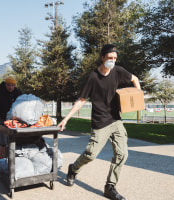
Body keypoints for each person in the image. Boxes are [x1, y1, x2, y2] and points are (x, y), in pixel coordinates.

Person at [58, 44, 141, 200]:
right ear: (102, 57)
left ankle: (110, 187)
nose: (112, 61)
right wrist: (66, 119)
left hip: (116, 119)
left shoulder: (118, 71)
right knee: (91, 154)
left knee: (122, 154)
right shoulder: (93, 77)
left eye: (115, 58)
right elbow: (81, 100)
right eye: (110, 58)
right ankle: (73, 169)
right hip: (100, 121)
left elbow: (135, 79)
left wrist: (137, 96)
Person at [0, 76, 22, 161]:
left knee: (17, 139)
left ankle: (15, 160)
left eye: (12, 85)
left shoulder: (18, 92)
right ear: (5, 84)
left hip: (15, 119)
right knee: (3, 140)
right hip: (2, 119)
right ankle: (1, 162)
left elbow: (23, 104)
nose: (10, 87)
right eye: (8, 85)